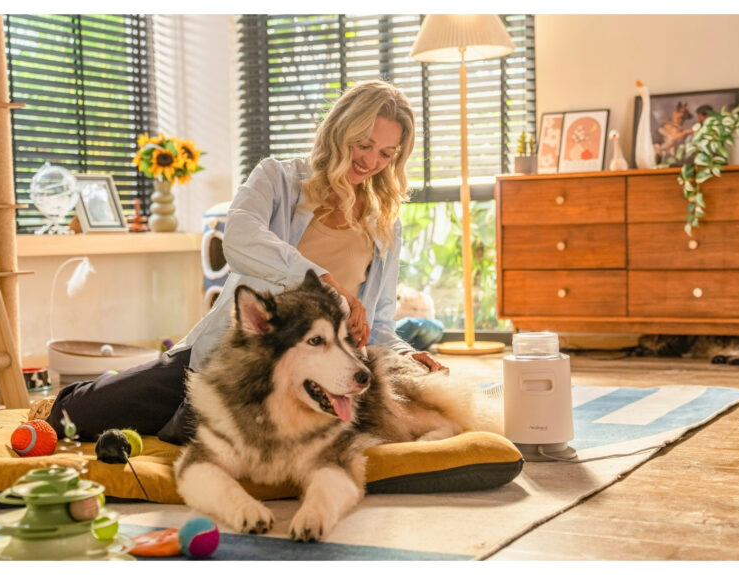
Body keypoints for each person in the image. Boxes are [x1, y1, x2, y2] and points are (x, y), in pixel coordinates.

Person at [45, 79, 447, 444]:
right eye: (363, 144)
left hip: (311, 371)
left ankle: (181, 419)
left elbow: (375, 326)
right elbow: (238, 236)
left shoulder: (383, 223)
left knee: (200, 434)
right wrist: (325, 282)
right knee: (72, 416)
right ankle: (142, 395)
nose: (371, 161)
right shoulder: (277, 179)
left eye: (386, 153)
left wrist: (407, 354)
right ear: (340, 129)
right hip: (229, 352)